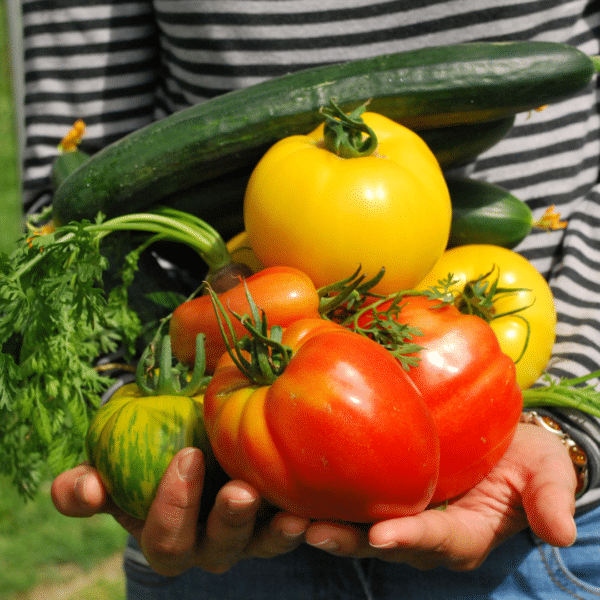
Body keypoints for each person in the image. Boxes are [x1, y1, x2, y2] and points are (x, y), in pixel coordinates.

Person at [21, 1, 600, 598]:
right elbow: (71, 193)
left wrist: (568, 426)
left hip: (525, 499)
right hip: (218, 468)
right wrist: (138, 404)